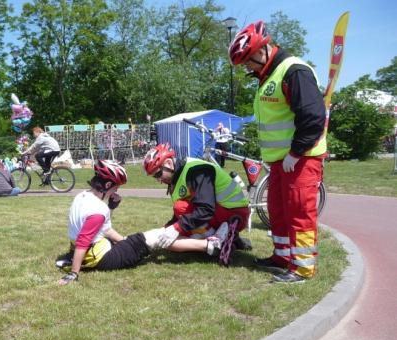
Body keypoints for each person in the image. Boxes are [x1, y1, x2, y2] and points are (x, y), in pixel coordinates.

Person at [229, 20, 326, 283]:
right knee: (278, 210)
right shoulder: (267, 76)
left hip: (301, 158)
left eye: (248, 60)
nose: (247, 67)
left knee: (299, 211)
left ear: (262, 51)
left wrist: (295, 153)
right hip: (280, 161)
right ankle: (282, 257)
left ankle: (302, 268)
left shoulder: (293, 70)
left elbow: (314, 116)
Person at [57, 160, 232, 286]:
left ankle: (208, 244)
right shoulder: (98, 211)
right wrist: (73, 273)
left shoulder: (81, 196)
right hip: (101, 258)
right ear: (108, 184)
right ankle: (211, 245)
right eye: (116, 187)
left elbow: (103, 230)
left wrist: (124, 240)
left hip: (94, 252)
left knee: (151, 238)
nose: (117, 190)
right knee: (159, 236)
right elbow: (83, 241)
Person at [142, 143, 251, 255]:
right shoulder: (178, 176)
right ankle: (231, 238)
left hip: (234, 214)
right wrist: (166, 229)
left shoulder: (197, 171)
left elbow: (205, 209)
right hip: (222, 211)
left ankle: (217, 244)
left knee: (181, 210)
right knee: (180, 212)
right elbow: (183, 212)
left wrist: (176, 228)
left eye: (158, 174)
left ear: (169, 163)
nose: (159, 180)